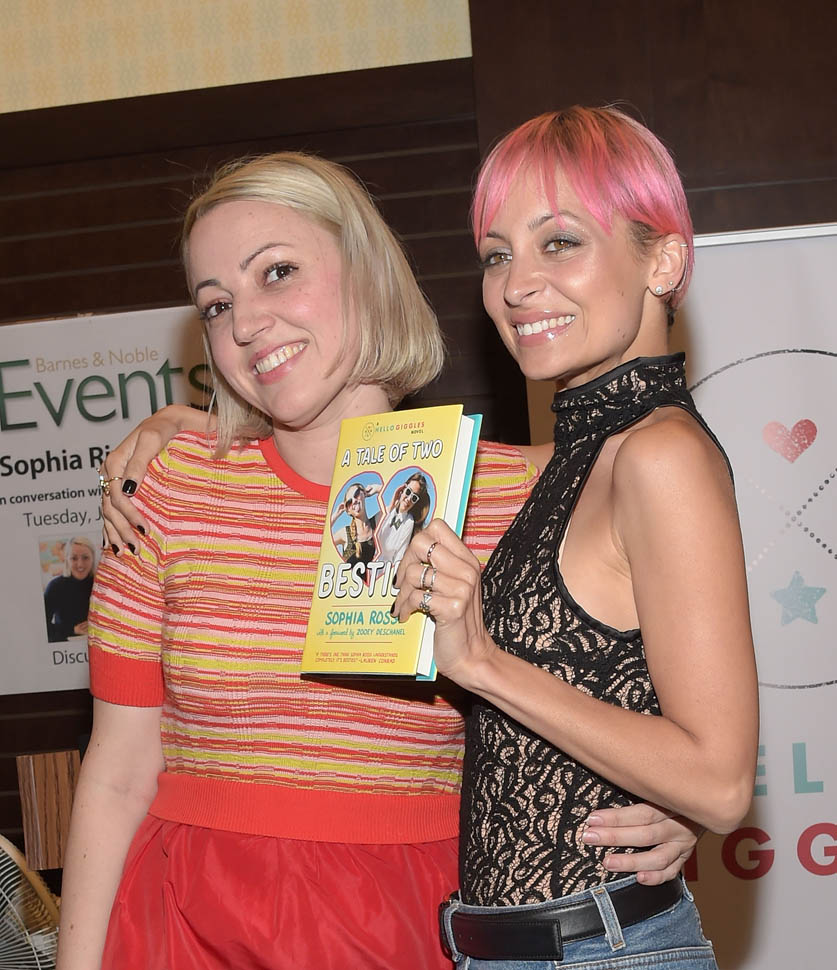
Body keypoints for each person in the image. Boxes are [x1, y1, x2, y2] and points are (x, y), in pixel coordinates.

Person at [83, 150, 704, 970]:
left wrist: (672, 810)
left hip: (424, 925)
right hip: (189, 931)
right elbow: (118, 774)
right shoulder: (163, 486)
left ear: (368, 273)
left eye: (277, 272)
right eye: (217, 304)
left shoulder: (527, 493)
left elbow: (665, 707)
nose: (245, 323)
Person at [392, 107, 759, 968]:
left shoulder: (659, 454)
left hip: (598, 949)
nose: (515, 284)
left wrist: (482, 661)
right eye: (496, 254)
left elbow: (718, 781)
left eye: (558, 242)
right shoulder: (581, 451)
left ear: (661, 261)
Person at [43, 535, 96, 642]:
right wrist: (73, 630)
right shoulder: (55, 587)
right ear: (67, 560)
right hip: (66, 648)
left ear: (93, 559)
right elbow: (42, 627)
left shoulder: (103, 585)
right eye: (74, 558)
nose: (80, 564)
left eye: (85, 558)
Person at [375, 471, 430, 568]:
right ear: (402, 489)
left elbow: (399, 555)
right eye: (408, 492)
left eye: (414, 498)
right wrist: (392, 504)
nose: (408, 499)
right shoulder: (387, 511)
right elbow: (375, 537)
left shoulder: (409, 522)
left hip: (386, 569)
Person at [331, 481, 378, 568]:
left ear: (364, 493)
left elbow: (399, 503)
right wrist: (335, 515)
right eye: (349, 502)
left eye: (356, 494)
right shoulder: (345, 533)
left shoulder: (377, 522)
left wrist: (377, 488)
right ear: (348, 510)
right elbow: (321, 543)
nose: (354, 501)